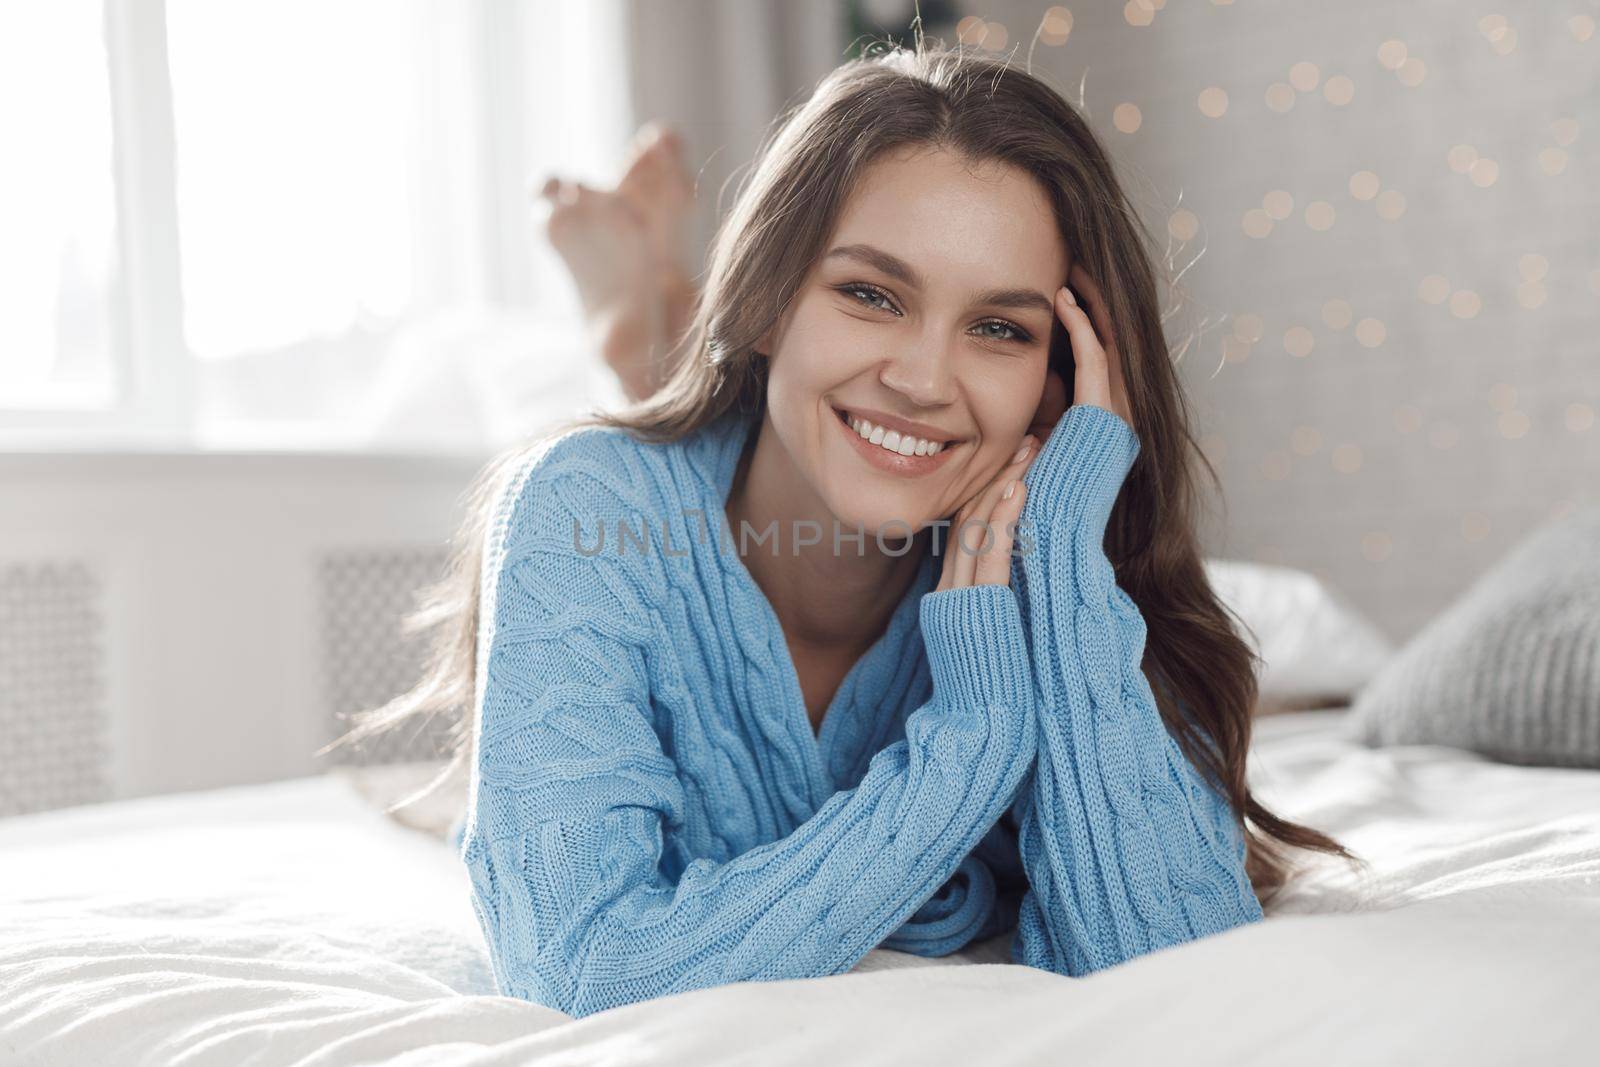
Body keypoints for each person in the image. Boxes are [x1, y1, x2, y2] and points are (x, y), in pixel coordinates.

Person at [330, 39, 1361, 1020]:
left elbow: (1182, 971)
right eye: (871, 293)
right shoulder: (580, 512)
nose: (922, 379)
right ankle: (635, 314)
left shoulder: (1053, 540)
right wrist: (970, 740)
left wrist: (1058, 552)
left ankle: (640, 308)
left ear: (1059, 386)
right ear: (770, 296)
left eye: (1000, 328)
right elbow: (585, 970)